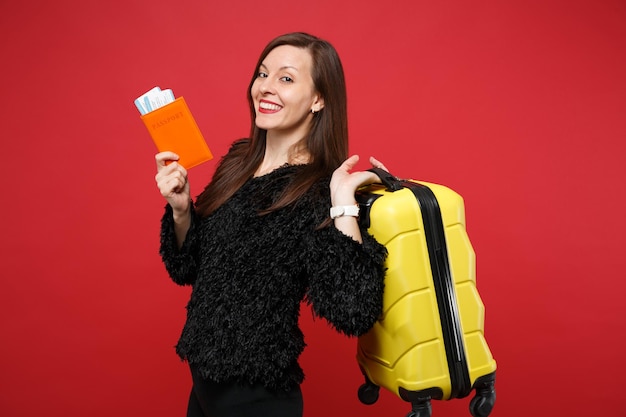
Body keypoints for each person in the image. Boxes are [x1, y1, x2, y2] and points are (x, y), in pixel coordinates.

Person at [155, 32, 388, 417]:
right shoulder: (238, 161)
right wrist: (181, 209)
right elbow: (188, 268)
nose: (265, 87)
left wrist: (343, 205)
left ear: (318, 99)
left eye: (286, 78)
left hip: (257, 399)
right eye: (262, 74)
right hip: (203, 392)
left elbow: (353, 311)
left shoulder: (319, 189)